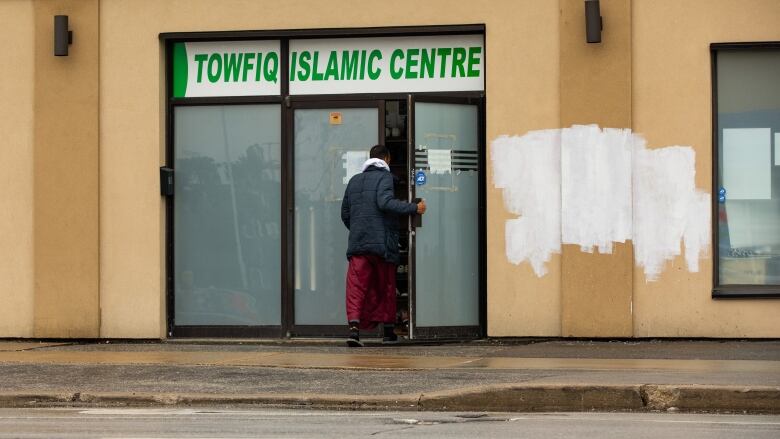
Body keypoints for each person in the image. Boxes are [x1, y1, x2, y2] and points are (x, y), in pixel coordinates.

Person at [341, 144, 426, 347]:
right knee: (385, 286)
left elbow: (345, 213)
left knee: (356, 287)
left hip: (358, 244)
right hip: (381, 245)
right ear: (386, 159)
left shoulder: (354, 180)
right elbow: (385, 202)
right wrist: (414, 207)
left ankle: (354, 330)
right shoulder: (385, 178)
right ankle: (388, 331)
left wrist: (358, 229)